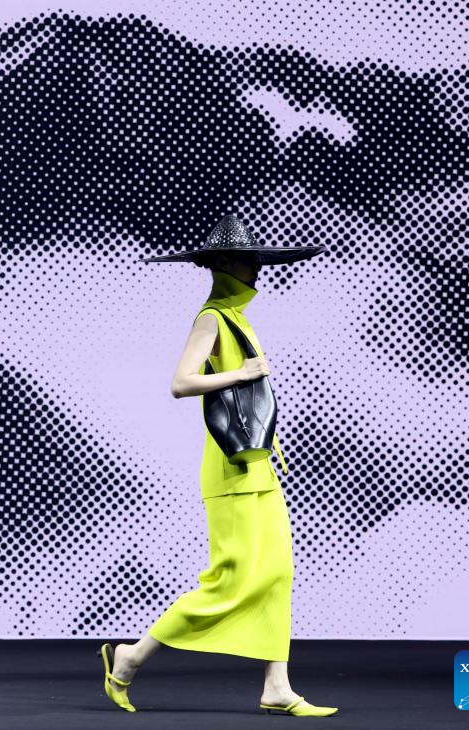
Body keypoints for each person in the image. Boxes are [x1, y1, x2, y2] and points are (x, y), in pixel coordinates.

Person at [99, 215, 337, 717]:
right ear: (225, 263)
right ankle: (131, 656)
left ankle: (277, 686)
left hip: (259, 466)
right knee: (230, 579)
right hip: (231, 470)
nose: (257, 270)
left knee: (277, 572)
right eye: (248, 262)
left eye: (257, 261)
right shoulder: (212, 316)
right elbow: (181, 383)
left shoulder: (237, 317)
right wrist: (241, 373)